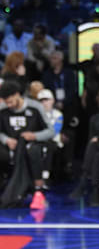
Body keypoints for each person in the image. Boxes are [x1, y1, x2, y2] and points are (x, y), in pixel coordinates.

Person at [0, 80, 55, 208]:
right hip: (11, 144)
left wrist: (34, 136)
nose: (9, 105)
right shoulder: (2, 110)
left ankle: (38, 193)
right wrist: (6, 140)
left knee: (33, 152)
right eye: (6, 102)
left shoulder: (35, 107)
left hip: (33, 143)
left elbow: (50, 131)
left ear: (17, 95)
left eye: (10, 101)